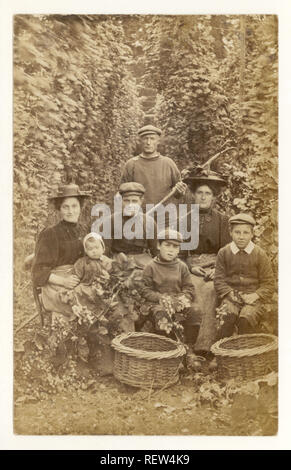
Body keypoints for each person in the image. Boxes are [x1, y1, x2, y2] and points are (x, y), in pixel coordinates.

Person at [180, 170, 232, 357]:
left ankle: (205, 345)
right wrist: (190, 266)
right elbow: (179, 251)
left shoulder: (222, 220)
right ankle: (186, 345)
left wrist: (217, 270)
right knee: (191, 288)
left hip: (214, 266)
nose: (203, 197)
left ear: (214, 197)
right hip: (191, 265)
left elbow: (226, 251)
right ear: (193, 195)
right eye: (200, 193)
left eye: (207, 193)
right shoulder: (183, 219)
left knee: (211, 290)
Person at [32, 183, 89, 318]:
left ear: (80, 207)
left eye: (74, 206)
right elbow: (38, 272)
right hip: (57, 285)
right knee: (80, 310)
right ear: (59, 209)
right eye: (65, 207)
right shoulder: (50, 233)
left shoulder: (83, 229)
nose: (70, 211)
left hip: (78, 280)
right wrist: (64, 281)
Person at [214, 213, 274, 336]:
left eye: (246, 233)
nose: (241, 237)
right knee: (227, 316)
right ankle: (223, 351)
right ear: (230, 233)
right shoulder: (224, 252)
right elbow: (218, 280)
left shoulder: (259, 254)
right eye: (237, 232)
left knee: (245, 319)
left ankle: (244, 351)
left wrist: (255, 295)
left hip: (253, 299)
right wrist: (230, 293)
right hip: (231, 298)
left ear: (252, 234)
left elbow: (269, 284)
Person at [139, 228, 201, 348]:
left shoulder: (181, 267)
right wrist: (162, 298)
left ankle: (188, 348)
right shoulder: (150, 267)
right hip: (157, 304)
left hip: (178, 302)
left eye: (175, 247)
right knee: (162, 313)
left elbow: (189, 288)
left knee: (195, 311)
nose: (171, 250)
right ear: (158, 245)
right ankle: (168, 349)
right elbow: (144, 289)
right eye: (167, 245)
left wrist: (181, 299)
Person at [120, 125, 187, 208]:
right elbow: (123, 194)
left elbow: (178, 194)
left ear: (158, 141)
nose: (148, 142)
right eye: (145, 138)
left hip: (165, 217)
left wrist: (180, 191)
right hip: (140, 216)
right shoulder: (131, 164)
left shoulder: (168, 163)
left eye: (152, 139)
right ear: (140, 141)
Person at [103, 182, 158, 269]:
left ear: (141, 201)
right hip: (118, 261)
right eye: (126, 201)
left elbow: (155, 251)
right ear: (121, 201)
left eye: (134, 201)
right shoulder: (110, 221)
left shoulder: (150, 222)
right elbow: (104, 252)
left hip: (142, 262)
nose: (130, 205)